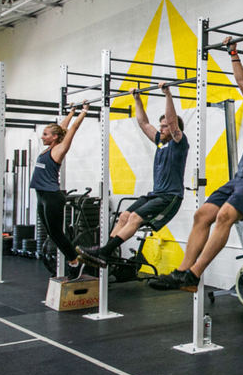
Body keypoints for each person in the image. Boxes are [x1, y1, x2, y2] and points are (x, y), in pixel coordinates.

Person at [149, 27, 243, 291]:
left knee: (225, 216)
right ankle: (182, 272)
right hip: (240, 178)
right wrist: (233, 53)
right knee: (202, 214)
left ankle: (194, 274)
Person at [75, 82, 189, 268]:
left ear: (174, 129)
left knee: (135, 217)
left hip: (170, 196)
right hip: (155, 194)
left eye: (164, 126)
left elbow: (172, 122)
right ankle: (106, 253)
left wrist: (167, 94)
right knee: (124, 216)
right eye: (160, 126)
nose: (161, 129)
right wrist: (137, 99)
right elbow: (143, 123)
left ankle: (104, 253)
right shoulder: (160, 142)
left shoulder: (179, 143)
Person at [30, 101, 90, 279]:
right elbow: (62, 128)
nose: (42, 137)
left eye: (45, 134)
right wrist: (71, 111)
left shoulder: (58, 150)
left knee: (57, 233)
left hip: (52, 197)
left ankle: (75, 262)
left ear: (54, 137)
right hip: (41, 196)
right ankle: (74, 261)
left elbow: (72, 129)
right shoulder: (50, 147)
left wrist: (83, 111)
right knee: (51, 233)